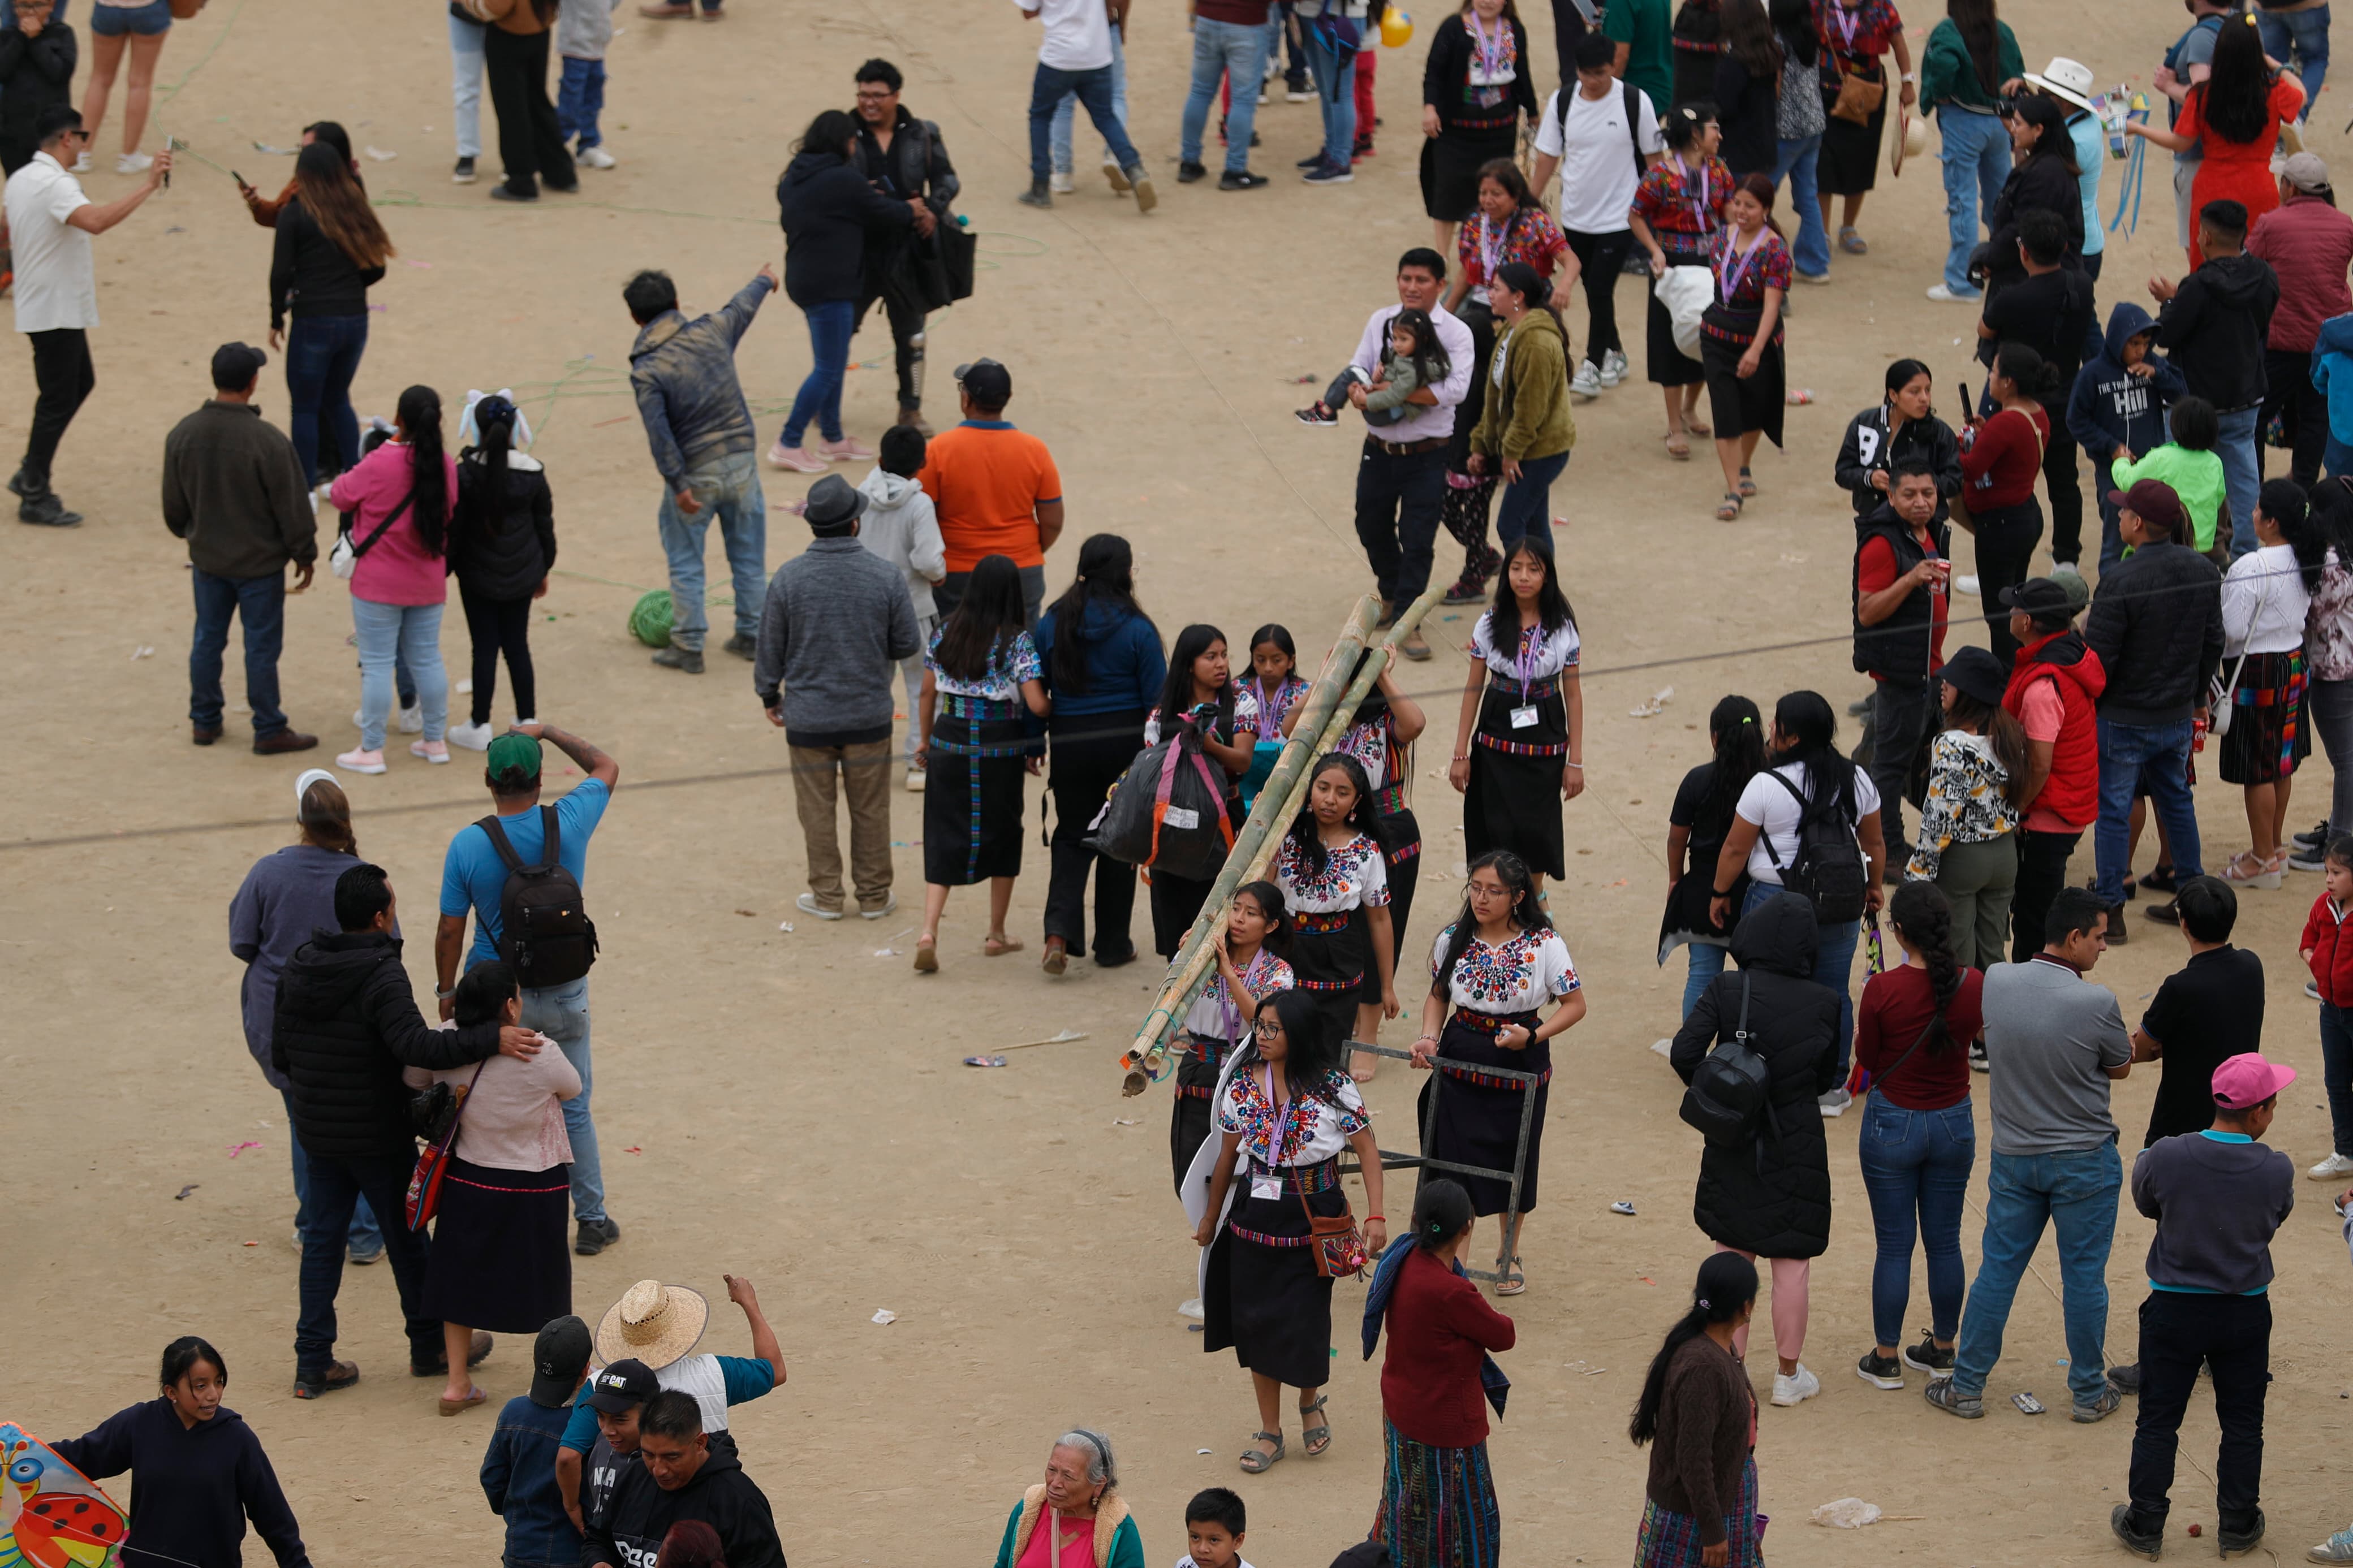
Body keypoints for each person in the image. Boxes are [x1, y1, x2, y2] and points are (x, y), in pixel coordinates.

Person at [274, 861, 539, 1397]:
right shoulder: (380, 972)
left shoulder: (299, 964)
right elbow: (417, 1047)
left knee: (323, 1244)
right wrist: (491, 1038)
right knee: (409, 1238)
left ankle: (312, 1362)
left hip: (319, 1133)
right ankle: (428, 1344)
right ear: (378, 916)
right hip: (376, 1134)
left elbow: (282, 1051)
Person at [1925, 888, 2130, 1424]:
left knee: (1998, 1270)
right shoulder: (2096, 1001)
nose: (2104, 947)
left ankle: (1967, 1385)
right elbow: (2121, 1065)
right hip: (2084, 1157)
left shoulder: (1998, 979)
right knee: (2084, 1278)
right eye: (2100, 937)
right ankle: (2088, 1392)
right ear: (2074, 937)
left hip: (2016, 1156)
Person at [434, 723, 622, 1255]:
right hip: (564, 987)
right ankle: (590, 1219)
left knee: (484, 1105)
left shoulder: (469, 843)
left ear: (488, 781)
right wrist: (549, 730)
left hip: (496, 993)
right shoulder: (569, 820)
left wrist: (446, 990)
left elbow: (450, 929)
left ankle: (492, 1211)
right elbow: (605, 765)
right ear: (541, 782)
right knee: (574, 1105)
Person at [2110, 1052, 2296, 1562]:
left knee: (2157, 1419)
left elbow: (2148, 1202)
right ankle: (2238, 1522)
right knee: (2242, 1422)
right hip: (2244, 1311)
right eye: (2273, 1104)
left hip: (2174, 1308)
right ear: (2256, 1113)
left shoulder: (2167, 1155)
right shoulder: (2275, 1167)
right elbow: (2277, 1216)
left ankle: (2145, 1521)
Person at [1192, 989, 1387, 1471]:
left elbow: (1367, 1150)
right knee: (1256, 1323)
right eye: (1260, 1025)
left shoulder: (1333, 1085)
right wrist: (1210, 1216)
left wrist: (1376, 1215)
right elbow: (1225, 1156)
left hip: (1313, 1217)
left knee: (1303, 1322)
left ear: (1297, 1031)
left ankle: (1308, 1399)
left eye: (1273, 1027)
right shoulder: (1240, 1084)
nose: (1262, 1034)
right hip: (1254, 1218)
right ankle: (1270, 1430)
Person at [1670, 892, 1841, 1406]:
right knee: (1792, 1262)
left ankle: (1730, 1368)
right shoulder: (1828, 1001)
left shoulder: (1728, 987)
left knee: (1732, 1250)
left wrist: (1720, 1091)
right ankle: (1788, 1375)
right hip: (1798, 1141)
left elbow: (1683, 1052)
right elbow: (1831, 1075)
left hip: (1735, 1135)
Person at [405, 960, 581, 1416]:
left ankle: (457, 1383)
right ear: (509, 1005)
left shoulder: (445, 1041)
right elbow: (572, 1088)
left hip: (470, 1177)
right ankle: (558, 1379)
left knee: (458, 1282)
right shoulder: (540, 1051)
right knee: (547, 1286)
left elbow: (414, 1079)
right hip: (536, 1182)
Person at [1411, 851, 1585, 1293]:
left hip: (1519, 1062)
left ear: (1519, 896)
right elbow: (1437, 996)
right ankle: (1455, 1262)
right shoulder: (1453, 938)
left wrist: (1533, 1036)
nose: (1481, 897)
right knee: (1452, 1162)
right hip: (1460, 1055)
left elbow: (1575, 1005)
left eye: (1494, 890)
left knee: (1516, 1159)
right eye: (1475, 887)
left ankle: (1508, 1252)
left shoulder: (1544, 943)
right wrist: (1430, 1038)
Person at [752, 473, 920, 923]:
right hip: (868, 716)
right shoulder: (884, 576)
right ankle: (873, 894)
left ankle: (827, 896)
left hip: (808, 719)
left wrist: (770, 694)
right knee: (871, 809)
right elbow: (906, 644)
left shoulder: (789, 578)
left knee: (816, 811)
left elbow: (769, 647)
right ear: (855, 524)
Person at [231, 770, 385, 1263]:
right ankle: (361, 1233)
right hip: (351, 1025)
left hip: (280, 1024)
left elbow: (242, 942)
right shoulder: (364, 879)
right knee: (357, 1125)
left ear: (300, 821)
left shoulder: (268, 872)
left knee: (305, 1123)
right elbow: (387, 946)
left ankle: (317, 1227)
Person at [1709, 690, 1886, 1102]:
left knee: (1766, 989)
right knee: (1834, 992)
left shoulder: (1766, 785)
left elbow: (1736, 849)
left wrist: (1719, 892)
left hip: (1774, 900)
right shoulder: (1857, 778)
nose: (1770, 728)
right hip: (1840, 900)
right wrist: (1873, 886)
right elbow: (1875, 843)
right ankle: (1832, 1084)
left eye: (1776, 723)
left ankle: (1765, 1073)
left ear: (1791, 737)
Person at [6, 106, 170, 527]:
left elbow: (8, 226)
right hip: (55, 307)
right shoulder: (55, 184)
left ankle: (31, 473)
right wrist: (148, 185)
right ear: (66, 139)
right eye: (83, 136)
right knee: (57, 399)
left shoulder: (22, 177)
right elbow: (95, 221)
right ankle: (34, 488)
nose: (85, 143)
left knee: (77, 384)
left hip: (45, 303)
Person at [1849, 880, 1983, 1391]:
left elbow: (1868, 1060)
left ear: (1899, 932)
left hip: (1893, 1122)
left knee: (1894, 1244)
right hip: (1952, 1119)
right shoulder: (1974, 985)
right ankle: (1945, 1346)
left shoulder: (1882, 990)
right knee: (1944, 1241)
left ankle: (1885, 1355)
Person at [165, 342, 320, 755]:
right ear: (252, 383)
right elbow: (292, 505)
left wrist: (197, 534)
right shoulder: (267, 441)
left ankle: (204, 720)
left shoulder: (183, 434)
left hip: (209, 561)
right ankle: (268, 726)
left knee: (208, 639)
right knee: (261, 647)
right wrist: (304, 552)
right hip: (260, 567)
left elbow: (173, 509)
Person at [623, 265, 776, 676]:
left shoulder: (647, 370)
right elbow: (742, 305)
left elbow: (661, 437)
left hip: (695, 473)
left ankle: (689, 643)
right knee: (748, 554)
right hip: (742, 461)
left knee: (686, 557)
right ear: (676, 303)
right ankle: (752, 634)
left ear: (636, 317)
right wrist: (764, 279)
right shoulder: (714, 330)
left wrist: (678, 485)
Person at [2085, 478, 2223, 933]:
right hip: (2176, 714)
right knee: (2178, 802)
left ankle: (2111, 907)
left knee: (2114, 809)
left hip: (2123, 716)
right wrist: (2196, 695)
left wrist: (2094, 703)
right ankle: (2194, 899)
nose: (2120, 517)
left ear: (2138, 523)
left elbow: (2100, 657)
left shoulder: (2121, 578)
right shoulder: (2203, 570)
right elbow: (2213, 641)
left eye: (2124, 512)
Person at [51, 1337, 312, 1568]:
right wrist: (17, 1454)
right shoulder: (139, 1424)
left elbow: (273, 1515)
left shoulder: (237, 1439)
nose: (213, 1395)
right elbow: (81, 1457)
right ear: (171, 1392)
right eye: (200, 1386)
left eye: (218, 1382)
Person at [1362, 1178, 1516, 1567]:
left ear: (1415, 1219)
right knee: (1469, 1527)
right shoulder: (1453, 1292)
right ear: (1468, 1227)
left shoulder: (1404, 1257)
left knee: (1405, 1506)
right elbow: (1504, 1334)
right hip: (1446, 1430)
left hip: (1402, 1413)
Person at [555, 1274, 787, 1529]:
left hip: (635, 1517)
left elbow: (568, 1456)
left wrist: (573, 1507)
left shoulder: (602, 1385)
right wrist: (749, 1303)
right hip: (708, 1508)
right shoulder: (717, 1372)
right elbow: (776, 1371)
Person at [1333, 250, 1474, 662]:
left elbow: (1456, 390)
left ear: (1440, 283)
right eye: (1406, 278)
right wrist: (1360, 392)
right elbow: (1359, 366)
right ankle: (1394, 592)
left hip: (1429, 454)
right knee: (1369, 521)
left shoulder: (1457, 333)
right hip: (1378, 449)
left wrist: (1389, 394)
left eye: (1422, 280)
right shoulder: (1382, 321)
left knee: (1418, 537)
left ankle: (1408, 621)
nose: (1412, 287)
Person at [768, 109, 925, 475]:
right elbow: (883, 211)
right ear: (841, 142)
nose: (855, 146)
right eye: (852, 140)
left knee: (834, 359)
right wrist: (912, 209)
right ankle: (789, 442)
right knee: (828, 368)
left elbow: (836, 203)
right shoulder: (843, 179)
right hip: (831, 284)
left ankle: (834, 437)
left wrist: (856, 197)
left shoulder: (796, 174)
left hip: (804, 277)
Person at [1033, 535, 1162, 970]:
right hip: (1122, 745)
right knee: (1118, 838)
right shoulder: (1138, 628)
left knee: (1071, 835)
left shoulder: (1052, 621)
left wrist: (1036, 742)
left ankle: (1058, 934)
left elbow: (1036, 686)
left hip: (1068, 740)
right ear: (1123, 573)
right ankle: (1112, 944)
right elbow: (1156, 701)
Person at [916, 552, 1049, 970]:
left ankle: (928, 931)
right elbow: (1036, 704)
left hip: (950, 739)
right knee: (1005, 831)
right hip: (1000, 747)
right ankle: (996, 932)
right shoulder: (1018, 641)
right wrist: (1052, 706)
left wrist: (924, 741)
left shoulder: (945, 632)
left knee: (942, 830)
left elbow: (927, 694)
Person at [329, 384, 458, 774]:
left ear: (399, 418)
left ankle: (372, 748)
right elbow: (450, 509)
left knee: (377, 663)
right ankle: (435, 740)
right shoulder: (445, 464)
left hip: (378, 584)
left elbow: (340, 495)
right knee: (427, 658)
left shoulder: (379, 462)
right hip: (427, 580)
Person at [1528, 33, 1664, 398]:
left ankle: (1592, 362)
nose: (1593, 81)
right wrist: (1526, 204)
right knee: (1593, 287)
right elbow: (1547, 159)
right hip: (1576, 216)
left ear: (1613, 67)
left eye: (1601, 73)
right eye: (1586, 73)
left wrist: (1664, 212)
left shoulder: (1636, 102)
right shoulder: (1563, 101)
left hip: (1621, 217)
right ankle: (1616, 353)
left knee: (1601, 288)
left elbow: (1655, 163)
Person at [2152, 198, 2281, 561]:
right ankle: (2245, 555)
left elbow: (2167, 335)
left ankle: (2186, 555)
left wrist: (2168, 303)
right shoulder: (2264, 276)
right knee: (2243, 479)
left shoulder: (2198, 286)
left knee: (2182, 480)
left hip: (2195, 406)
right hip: (2245, 396)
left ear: (2206, 237)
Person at [1450, 537, 1584, 886]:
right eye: (1516, 568)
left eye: (1533, 569)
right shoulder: (1490, 623)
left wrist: (1576, 761)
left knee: (1538, 826)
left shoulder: (1563, 629)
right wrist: (1461, 752)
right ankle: (1496, 895)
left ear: (1547, 576)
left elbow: (1573, 693)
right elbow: (1473, 688)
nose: (1523, 577)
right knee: (1494, 822)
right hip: (1495, 738)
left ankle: (1534, 894)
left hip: (1546, 742)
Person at [2128, 16, 2305, 269]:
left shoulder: (2203, 95)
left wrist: (2137, 128)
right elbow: (2302, 93)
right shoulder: (2274, 91)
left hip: (2212, 188)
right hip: (2259, 188)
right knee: (2257, 267)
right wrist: (2270, 62)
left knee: (2209, 267)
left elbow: (2180, 143)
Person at [2214, 478, 2323, 883]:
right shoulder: (2306, 555)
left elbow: (2232, 630)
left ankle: (2262, 861)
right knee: (2280, 762)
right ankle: (2273, 847)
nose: (2252, 514)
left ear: (2272, 521)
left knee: (2258, 767)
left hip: (2259, 668)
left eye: (2259, 510)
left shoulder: (2251, 566)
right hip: (2295, 661)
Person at [1627, 1252, 1763, 1567]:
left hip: (1719, 1504)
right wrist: (1713, 1532)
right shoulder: (1704, 1368)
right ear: (1746, 1308)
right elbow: (1693, 1457)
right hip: (1693, 1519)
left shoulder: (1720, 1347)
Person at [1976, 211, 2095, 571]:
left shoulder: (2012, 299)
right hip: (2065, 399)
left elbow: (1984, 330)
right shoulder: (2082, 285)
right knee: (2064, 482)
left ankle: (1999, 553)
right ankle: (2067, 560)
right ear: (2064, 247)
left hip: (2020, 408)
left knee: (2005, 483)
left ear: (2023, 252)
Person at [271, 142, 392, 494]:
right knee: (339, 398)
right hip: (355, 319)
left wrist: (276, 315)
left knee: (305, 407)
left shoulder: (294, 214)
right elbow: (377, 267)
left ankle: (306, 489)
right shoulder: (355, 207)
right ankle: (355, 479)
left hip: (313, 319)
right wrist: (352, 287)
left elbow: (280, 273)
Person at [1998, 576, 2107, 962]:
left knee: (2033, 922)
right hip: (2065, 807)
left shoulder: (2045, 683)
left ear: (2027, 622)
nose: (2010, 612)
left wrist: (2013, 809)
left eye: (2015, 607)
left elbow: (2040, 764)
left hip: (2046, 817)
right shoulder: (2069, 653)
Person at [851, 59, 962, 433]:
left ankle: (910, 410)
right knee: (839, 329)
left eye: (877, 96)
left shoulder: (922, 134)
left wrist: (933, 209)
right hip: (858, 253)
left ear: (896, 96)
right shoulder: (844, 134)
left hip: (908, 255)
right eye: (863, 94)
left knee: (912, 337)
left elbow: (947, 178)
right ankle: (825, 404)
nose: (869, 103)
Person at [1851, 459, 1950, 859]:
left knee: (1900, 756)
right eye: (1909, 494)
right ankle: (1887, 848)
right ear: (1890, 496)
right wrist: (1910, 580)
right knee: (1890, 767)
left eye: (1928, 493)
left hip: (1930, 669)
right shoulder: (1882, 543)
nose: (1921, 502)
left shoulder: (1930, 533)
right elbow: (1868, 611)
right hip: (1902, 674)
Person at [1904, 645, 2027, 967]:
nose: (1942, 685)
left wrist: (1919, 873)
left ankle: (1965, 1016)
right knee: (1993, 952)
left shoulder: (1952, 744)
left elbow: (1940, 815)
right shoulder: (2010, 733)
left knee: (1957, 953)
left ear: (1969, 692)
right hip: (2004, 855)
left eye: (1952, 681)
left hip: (1962, 859)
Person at [1143, 625, 1260, 962]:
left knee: (1224, 915)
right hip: (1174, 827)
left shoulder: (1241, 702)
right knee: (1176, 923)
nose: (1221, 664)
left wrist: (1206, 744)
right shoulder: (1161, 714)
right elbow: (1153, 774)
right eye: (1211, 657)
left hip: (1225, 821)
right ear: (1189, 664)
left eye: (1224, 655)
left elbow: (1243, 760)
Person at [1173, 882, 1295, 1204]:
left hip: (1250, 1074)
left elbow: (1263, 1024)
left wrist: (1229, 973)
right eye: (1236, 908)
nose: (1239, 919)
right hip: (1199, 1071)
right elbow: (1170, 1002)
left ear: (1271, 926)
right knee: (1190, 1175)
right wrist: (1186, 956)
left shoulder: (1279, 973)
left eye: (1251, 913)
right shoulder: (1202, 957)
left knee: (1246, 1177)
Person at [918, 357, 1063, 625]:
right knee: (1020, 656)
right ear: (1007, 398)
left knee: (955, 655)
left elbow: (922, 516)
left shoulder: (939, 450)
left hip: (957, 570)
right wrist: (1028, 549)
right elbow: (1053, 521)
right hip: (1022, 568)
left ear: (966, 400)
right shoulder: (1035, 450)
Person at [448, 391, 554, 752]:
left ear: (475, 428)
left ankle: (479, 723)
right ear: (513, 428)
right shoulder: (533, 473)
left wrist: (448, 568)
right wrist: (542, 569)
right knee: (517, 646)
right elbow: (545, 529)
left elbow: (455, 530)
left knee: (484, 649)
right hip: (523, 576)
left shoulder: (463, 475)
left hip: (476, 578)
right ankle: (528, 720)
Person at [2129, 875, 2265, 1153]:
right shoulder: (2252, 965)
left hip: (2181, 1126)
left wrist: (2166, 1045)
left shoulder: (2179, 987)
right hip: (2237, 1116)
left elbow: (2138, 1050)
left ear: (2184, 925)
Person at [1630, 103, 1733, 461]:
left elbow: (1728, 212)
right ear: (1695, 135)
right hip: (1671, 266)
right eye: (1714, 129)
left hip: (1711, 264)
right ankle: (1674, 425)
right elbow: (1636, 215)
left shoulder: (1718, 170)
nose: (1719, 136)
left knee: (1709, 337)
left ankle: (1690, 409)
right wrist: (1655, 250)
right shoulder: (1659, 176)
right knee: (1668, 343)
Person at [583, 1392, 785, 1568]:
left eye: (672, 1457)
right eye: (649, 1455)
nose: (658, 1470)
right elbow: (598, 1538)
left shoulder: (740, 1501)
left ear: (699, 1443)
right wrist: (599, 1561)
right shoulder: (632, 1475)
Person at [2249, 154, 2353, 485]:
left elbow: (2248, 271)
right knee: (2316, 420)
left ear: (2289, 187)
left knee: (2256, 418)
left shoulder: (2270, 223)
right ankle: (2305, 492)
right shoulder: (2345, 224)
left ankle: (2255, 492)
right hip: (2329, 344)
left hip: (2281, 344)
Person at [1660, 694, 1766, 1020]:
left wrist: (1676, 879)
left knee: (1703, 975)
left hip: (1705, 891)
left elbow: (1678, 839)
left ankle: (1692, 1050)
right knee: (1759, 977)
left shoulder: (1698, 780)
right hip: (1759, 890)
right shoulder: (1771, 780)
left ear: (1715, 737)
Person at [1955, 341, 2059, 663]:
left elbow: (1971, 468)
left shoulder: (2006, 422)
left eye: (1994, 371)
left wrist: (1952, 444)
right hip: (2025, 517)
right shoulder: (2036, 413)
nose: (1990, 377)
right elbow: (2012, 452)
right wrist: (1986, 436)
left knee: (2000, 616)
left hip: (2000, 528)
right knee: (2015, 603)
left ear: (2008, 382)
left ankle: (2007, 685)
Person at [856, 424, 946, 790]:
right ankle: (918, 763)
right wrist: (938, 573)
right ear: (921, 465)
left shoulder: (860, 494)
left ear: (880, 459)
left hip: (868, 607)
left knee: (868, 684)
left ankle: (860, 759)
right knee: (922, 687)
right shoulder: (919, 503)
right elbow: (928, 560)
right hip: (915, 608)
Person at [1919, 0, 2023, 304]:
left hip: (1963, 122)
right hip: (1999, 124)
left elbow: (1943, 67)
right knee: (2001, 197)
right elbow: (2018, 72)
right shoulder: (2001, 31)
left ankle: (1963, 282)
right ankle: (2009, 266)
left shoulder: (1949, 32)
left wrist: (1938, 96)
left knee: (1962, 199)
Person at [2067, 304, 2187, 569]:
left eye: (2145, 343)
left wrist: (2159, 375)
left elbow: (2183, 395)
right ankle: (2111, 602)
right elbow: (2076, 420)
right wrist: (2110, 446)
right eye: (2134, 343)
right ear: (2117, 339)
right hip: (2114, 474)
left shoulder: (2153, 364)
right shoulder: (2093, 374)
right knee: (2116, 541)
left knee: (2157, 538)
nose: (2140, 350)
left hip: (2154, 472)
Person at [1699, 174, 1790, 520]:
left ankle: (1745, 465)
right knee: (1725, 412)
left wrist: (1755, 349)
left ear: (1766, 210)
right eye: (1737, 203)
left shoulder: (1776, 250)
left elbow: (1772, 307)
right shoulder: (1723, 236)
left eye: (1750, 206)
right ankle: (1733, 489)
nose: (1741, 211)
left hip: (1757, 338)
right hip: (1717, 335)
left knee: (1754, 409)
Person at [1466, 263, 1575, 553]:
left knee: (1511, 524)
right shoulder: (1511, 332)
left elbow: (1530, 409)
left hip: (1541, 451)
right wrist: (1482, 444)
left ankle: (1530, 586)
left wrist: (1512, 452)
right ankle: (1543, 591)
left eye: (1496, 289)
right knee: (1535, 525)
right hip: (1530, 448)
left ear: (1518, 297)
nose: (1489, 294)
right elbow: (1496, 397)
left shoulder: (1536, 342)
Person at [1417, 0, 1538, 253]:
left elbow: (1523, 74)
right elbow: (1435, 72)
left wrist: (1534, 113)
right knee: (1448, 194)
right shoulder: (1453, 27)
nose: (1488, 2)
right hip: (1455, 131)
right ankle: (1443, 256)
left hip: (1500, 131)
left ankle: (1488, 251)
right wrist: (1430, 108)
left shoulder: (1515, 29)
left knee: (1494, 195)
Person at [480, 1315, 594, 1568]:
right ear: (586, 1370)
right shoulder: (590, 1423)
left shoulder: (514, 1411)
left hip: (521, 1546)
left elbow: (492, 1477)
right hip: (574, 1551)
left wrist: (517, 1512)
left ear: (535, 1362)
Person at [1017, 0, 1152, 210]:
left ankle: (1041, 184)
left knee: (1041, 115)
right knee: (1105, 117)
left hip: (1059, 57)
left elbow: (1028, 12)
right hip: (1096, 54)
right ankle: (1134, 168)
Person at [1811, 0, 1915, 259]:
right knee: (1822, 160)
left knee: (1862, 158)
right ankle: (1821, 231)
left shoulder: (1880, 5)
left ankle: (1848, 228)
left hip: (1867, 93)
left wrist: (1907, 82)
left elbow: (1898, 41)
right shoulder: (1819, 3)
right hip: (1825, 87)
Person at [467, 0, 578, 202]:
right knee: (537, 101)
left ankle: (521, 180)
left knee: (512, 109)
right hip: (539, 26)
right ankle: (560, 172)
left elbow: (495, 7)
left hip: (510, 34)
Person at [2296, 483, 2353, 872]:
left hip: (2335, 672)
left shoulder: (2333, 561)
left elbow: (2314, 617)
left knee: (2346, 761)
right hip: (2345, 664)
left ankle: (2340, 842)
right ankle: (2339, 827)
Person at [1973, 95, 2084, 296]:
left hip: (2032, 281)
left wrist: (1990, 258)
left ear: (2039, 130)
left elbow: (2022, 227)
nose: (2012, 128)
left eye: (2018, 123)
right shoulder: (2048, 162)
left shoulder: (2045, 174)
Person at [988, 1432, 1146, 1568]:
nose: (1055, 1483)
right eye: (1052, 1470)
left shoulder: (1121, 1532)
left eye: (1068, 1476)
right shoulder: (1027, 1511)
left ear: (1098, 1485)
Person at [2153, 0, 2233, 261]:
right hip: (2231, 154)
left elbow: (2204, 99)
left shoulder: (2202, 37)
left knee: (2201, 253)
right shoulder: (2241, 28)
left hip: (2198, 158)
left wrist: (2169, 87)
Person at [1834, 360, 1962, 519]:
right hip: (1873, 522)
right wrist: (1869, 478)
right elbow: (1843, 472)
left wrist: (1919, 487)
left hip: (1924, 525)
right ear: (1893, 395)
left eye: (1928, 390)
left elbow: (1955, 481)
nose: (1925, 399)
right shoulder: (1865, 424)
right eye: (1915, 392)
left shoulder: (1940, 433)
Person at [2111, 394, 2228, 558]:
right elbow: (2219, 498)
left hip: (2169, 545)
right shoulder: (2215, 462)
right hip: (2203, 547)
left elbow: (2128, 482)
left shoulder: (2162, 458)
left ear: (2176, 426)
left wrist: (2121, 461)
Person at [2024, 57, 2106, 280]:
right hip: (2079, 240)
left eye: (2043, 95)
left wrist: (2020, 137)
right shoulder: (2085, 121)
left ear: (2066, 103)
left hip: (2074, 249)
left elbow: (2030, 176)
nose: (2037, 99)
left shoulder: (2077, 144)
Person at [1766, 0, 1830, 283]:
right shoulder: (1811, 38)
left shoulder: (1777, 43)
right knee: (1808, 195)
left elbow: (1776, 89)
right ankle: (1815, 262)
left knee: (1760, 193)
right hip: (1814, 124)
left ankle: (1757, 254)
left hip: (1786, 130)